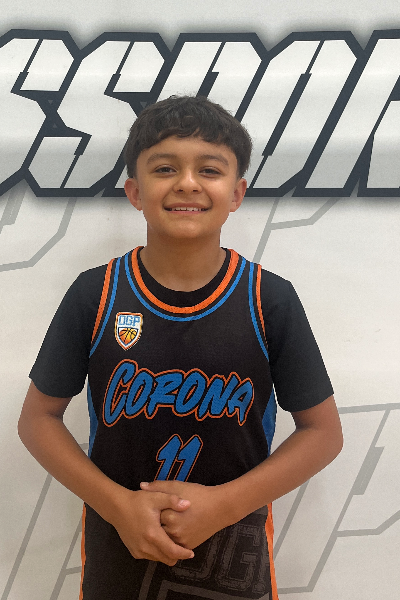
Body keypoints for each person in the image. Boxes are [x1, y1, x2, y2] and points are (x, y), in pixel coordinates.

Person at [18, 95, 343, 600]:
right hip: (118, 560)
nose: (187, 183)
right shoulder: (96, 294)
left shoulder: (268, 298)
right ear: (134, 191)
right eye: (165, 168)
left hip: (235, 563)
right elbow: (37, 420)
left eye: (209, 170)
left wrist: (224, 505)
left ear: (236, 193)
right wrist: (119, 507)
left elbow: (323, 433)